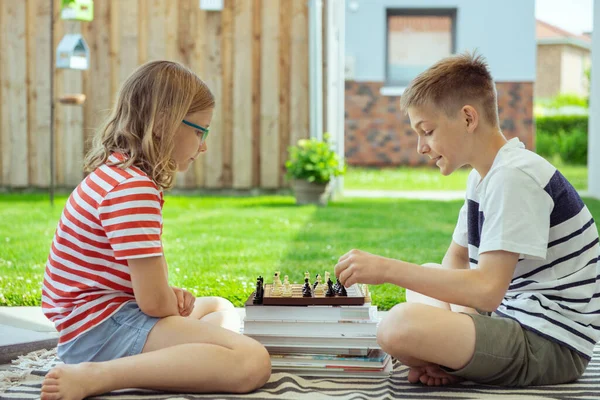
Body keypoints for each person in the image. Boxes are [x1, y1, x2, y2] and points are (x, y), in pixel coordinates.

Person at [334, 52, 600, 387]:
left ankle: (449, 358)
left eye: (427, 131)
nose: (420, 147)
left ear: (468, 119)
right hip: (513, 319)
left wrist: (387, 270)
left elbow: (487, 290)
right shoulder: (484, 176)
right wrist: (461, 326)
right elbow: (457, 258)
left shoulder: (515, 176)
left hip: (550, 343)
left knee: (397, 326)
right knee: (430, 275)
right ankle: (452, 360)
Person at [40, 61, 271, 400]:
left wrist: (166, 294)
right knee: (252, 360)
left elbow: (138, 285)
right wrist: (164, 299)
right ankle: (98, 376)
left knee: (218, 306)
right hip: (99, 330)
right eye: (199, 131)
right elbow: (153, 303)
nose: (203, 145)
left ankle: (181, 357)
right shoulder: (132, 190)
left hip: (98, 318)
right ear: (163, 123)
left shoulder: (116, 173)